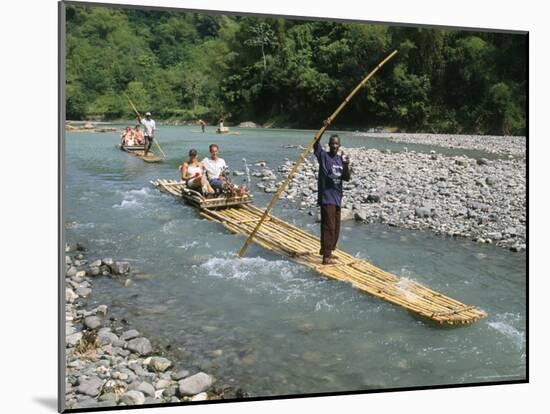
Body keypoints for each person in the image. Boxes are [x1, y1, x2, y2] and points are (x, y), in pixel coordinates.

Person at [313, 133, 351, 265]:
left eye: (336, 144)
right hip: (326, 197)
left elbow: (346, 178)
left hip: (337, 197)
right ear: (329, 145)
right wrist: (324, 129)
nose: (334, 146)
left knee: (335, 228)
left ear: (339, 145)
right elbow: (315, 142)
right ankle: (326, 257)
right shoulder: (323, 156)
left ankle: (327, 251)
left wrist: (346, 164)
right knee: (329, 227)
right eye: (332, 143)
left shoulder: (341, 159)